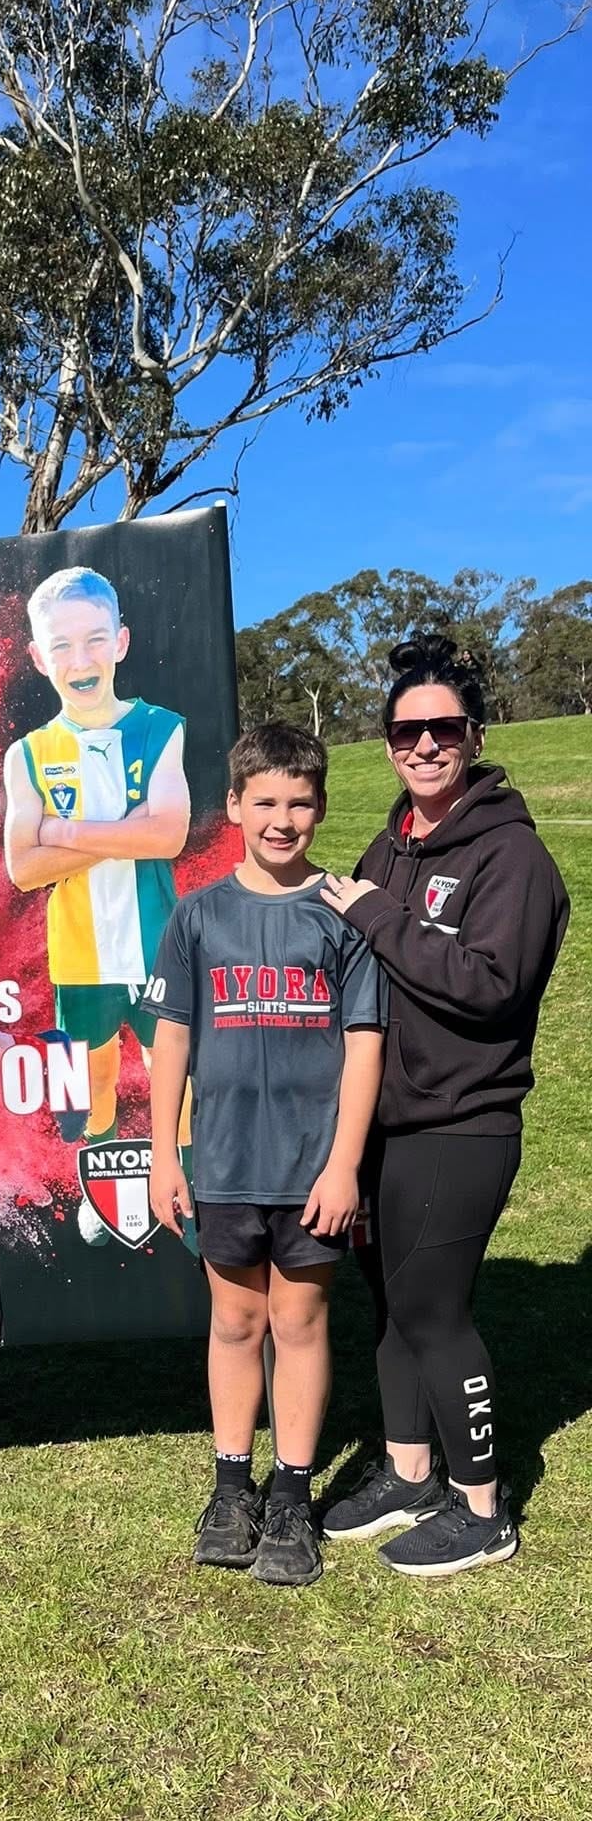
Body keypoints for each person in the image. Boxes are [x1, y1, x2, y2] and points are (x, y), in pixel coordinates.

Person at [320, 637, 569, 1577]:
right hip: (385, 1119)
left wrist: (375, 918)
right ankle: (409, 1471)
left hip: (462, 1121)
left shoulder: (514, 858)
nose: (422, 746)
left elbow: (489, 985)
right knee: (390, 1307)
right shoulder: (393, 843)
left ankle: (482, 1507)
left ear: (472, 734)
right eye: (404, 731)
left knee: (435, 1310)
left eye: (442, 729)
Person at [148, 724, 385, 1586]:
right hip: (223, 1164)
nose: (282, 820)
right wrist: (165, 1155)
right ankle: (231, 1485)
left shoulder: (342, 913)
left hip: (311, 1167)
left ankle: (292, 1495)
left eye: (300, 803)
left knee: (300, 1322)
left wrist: (344, 1164)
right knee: (237, 1322)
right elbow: (171, 1040)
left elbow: (364, 1045)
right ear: (234, 807)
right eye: (266, 803)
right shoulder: (199, 914)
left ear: (319, 807)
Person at [2, 567, 190, 1240]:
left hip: (158, 945)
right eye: (61, 646)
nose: (79, 660)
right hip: (78, 955)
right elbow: (23, 868)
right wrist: (125, 829)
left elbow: (167, 834)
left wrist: (64, 830)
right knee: (91, 1080)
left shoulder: (161, 728)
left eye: (93, 640)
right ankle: (100, 1186)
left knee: (175, 1074)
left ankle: (187, 1180)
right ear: (38, 658)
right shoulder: (28, 754)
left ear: (121, 642)